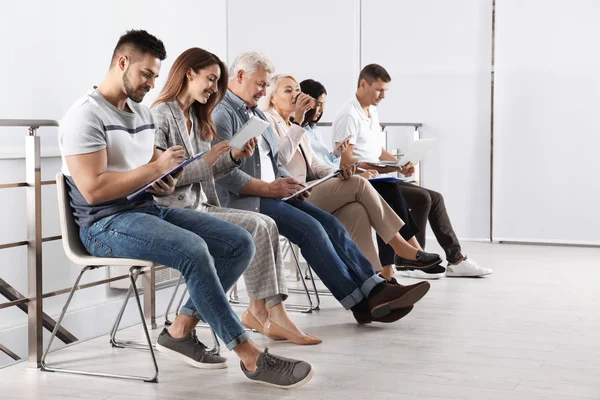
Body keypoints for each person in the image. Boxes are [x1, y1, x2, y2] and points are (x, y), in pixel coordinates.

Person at [58, 30, 313, 388]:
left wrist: (159, 178)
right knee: (194, 249)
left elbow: (146, 169)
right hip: (104, 225)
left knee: (240, 241)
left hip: (145, 210)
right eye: (146, 74)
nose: (151, 83)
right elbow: (94, 189)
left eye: (156, 76)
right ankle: (249, 355)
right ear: (122, 63)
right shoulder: (84, 117)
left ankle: (180, 331)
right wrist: (155, 170)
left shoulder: (138, 113)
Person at [212, 51, 432, 325]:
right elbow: (223, 176)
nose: (263, 91)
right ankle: (361, 301)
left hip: (276, 192)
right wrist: (271, 188)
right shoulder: (222, 115)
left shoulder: (256, 114)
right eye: (261, 84)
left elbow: (275, 163)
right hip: (248, 199)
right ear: (240, 76)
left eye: (266, 85)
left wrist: (290, 184)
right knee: (312, 230)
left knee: (331, 223)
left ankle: (374, 288)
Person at [151, 47, 320, 345]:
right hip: (173, 210)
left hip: (201, 205)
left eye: (218, 82)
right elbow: (163, 180)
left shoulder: (199, 117)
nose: (215, 88)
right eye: (211, 80)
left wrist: (234, 156)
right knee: (256, 226)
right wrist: (209, 163)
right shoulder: (161, 115)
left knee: (264, 223)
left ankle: (269, 312)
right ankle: (262, 314)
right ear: (189, 73)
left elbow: (210, 171)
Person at [262, 74, 442, 281]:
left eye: (296, 90)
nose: (295, 94)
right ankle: (400, 247)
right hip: (289, 195)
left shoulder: (293, 125)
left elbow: (315, 165)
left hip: (309, 189)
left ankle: (374, 279)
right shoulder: (269, 120)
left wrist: (338, 173)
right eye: (288, 90)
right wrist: (299, 123)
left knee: (356, 210)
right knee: (359, 183)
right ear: (272, 97)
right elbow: (280, 158)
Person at [332, 64, 493, 278]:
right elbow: (347, 161)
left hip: (379, 177)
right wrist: (389, 167)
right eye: (379, 90)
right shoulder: (349, 115)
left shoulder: (372, 111)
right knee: (421, 198)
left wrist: (399, 163)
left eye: (385, 91)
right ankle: (414, 260)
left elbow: (376, 150)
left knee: (435, 198)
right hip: (362, 182)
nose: (382, 96)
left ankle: (455, 259)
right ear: (363, 84)